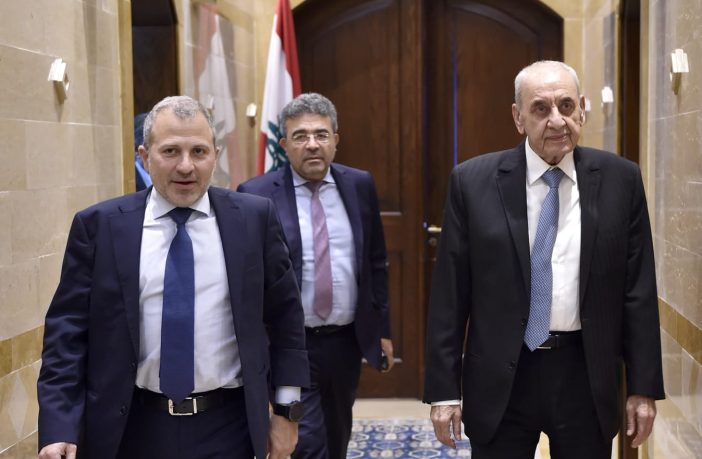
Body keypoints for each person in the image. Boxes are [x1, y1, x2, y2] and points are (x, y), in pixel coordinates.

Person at [37, 96, 309, 459]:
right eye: (170, 151)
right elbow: (67, 335)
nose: (186, 166)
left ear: (215, 155)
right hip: (129, 429)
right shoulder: (100, 227)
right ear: (145, 156)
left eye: (199, 151)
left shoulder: (253, 219)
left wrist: (288, 413)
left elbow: (286, 320)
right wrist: (59, 426)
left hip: (230, 428)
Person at [423, 61, 664, 458]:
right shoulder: (472, 182)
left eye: (566, 106)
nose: (556, 120)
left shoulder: (621, 180)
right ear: (518, 117)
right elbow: (450, 296)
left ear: (582, 109)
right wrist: (444, 391)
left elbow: (637, 292)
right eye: (540, 108)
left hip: (586, 376)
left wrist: (643, 387)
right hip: (502, 375)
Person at [238, 92, 394, 459]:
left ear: (336, 140)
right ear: (284, 145)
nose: (312, 144)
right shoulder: (256, 196)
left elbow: (375, 262)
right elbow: (249, 281)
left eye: (321, 135)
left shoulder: (359, 185)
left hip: (345, 341)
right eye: (301, 136)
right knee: (305, 441)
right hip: (289, 344)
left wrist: (382, 329)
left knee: (337, 432)